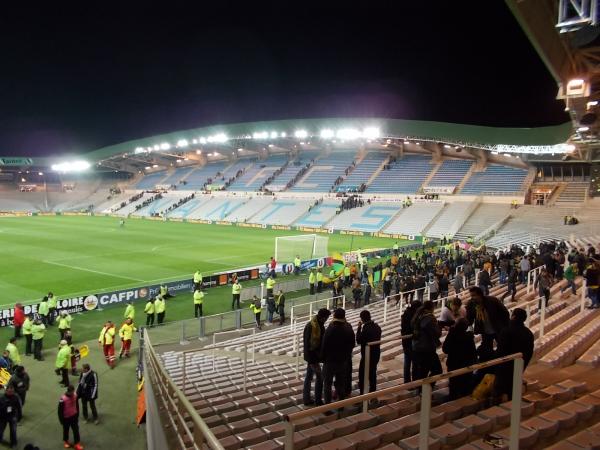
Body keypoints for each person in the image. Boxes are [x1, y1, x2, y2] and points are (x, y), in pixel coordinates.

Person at [494, 308, 535, 400]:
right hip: (519, 366)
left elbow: (500, 350)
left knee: (499, 390)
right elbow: (529, 352)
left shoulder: (506, 331)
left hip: (504, 366)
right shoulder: (528, 333)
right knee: (512, 391)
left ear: (513, 317)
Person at [322, 308, 355, 405]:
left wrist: (323, 358)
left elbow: (324, 344)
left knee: (327, 384)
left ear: (334, 316)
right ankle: (341, 404)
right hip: (343, 360)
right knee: (341, 383)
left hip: (330, 361)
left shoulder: (331, 328)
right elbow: (352, 344)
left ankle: (327, 405)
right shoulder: (348, 327)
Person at [465, 287, 510, 359]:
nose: (472, 298)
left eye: (474, 295)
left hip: (498, 329)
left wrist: (505, 327)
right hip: (485, 332)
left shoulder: (492, 300)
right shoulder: (471, 304)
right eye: (471, 296)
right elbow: (469, 318)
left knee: (503, 347)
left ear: (480, 295)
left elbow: (505, 313)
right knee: (488, 351)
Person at [442, 318, 477, 399]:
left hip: (453, 364)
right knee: (465, 388)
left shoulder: (452, 334)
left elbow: (445, 349)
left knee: (453, 388)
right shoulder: (469, 337)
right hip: (466, 366)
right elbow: (473, 352)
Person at [302, 308, 331, 406]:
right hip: (312, 358)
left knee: (309, 377)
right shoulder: (312, 326)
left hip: (313, 357)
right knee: (320, 378)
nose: (327, 320)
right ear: (323, 317)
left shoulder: (317, 325)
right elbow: (308, 344)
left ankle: (306, 399)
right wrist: (313, 359)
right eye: (326, 318)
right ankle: (318, 401)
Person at [411, 301, 442, 384]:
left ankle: (421, 390)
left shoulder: (418, 315)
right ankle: (425, 389)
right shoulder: (430, 318)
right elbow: (436, 333)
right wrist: (439, 327)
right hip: (427, 348)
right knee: (437, 370)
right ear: (432, 308)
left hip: (417, 347)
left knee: (423, 371)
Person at [356, 310, 381, 394]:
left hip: (367, 356)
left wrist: (359, 328)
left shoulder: (366, 329)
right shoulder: (377, 327)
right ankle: (372, 393)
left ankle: (362, 395)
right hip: (376, 354)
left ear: (362, 319)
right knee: (373, 373)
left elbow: (359, 340)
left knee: (362, 375)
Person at [401, 300, 421, 383]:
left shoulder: (405, 314)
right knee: (415, 362)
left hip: (405, 340)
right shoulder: (414, 315)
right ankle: (415, 380)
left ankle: (407, 381)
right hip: (411, 340)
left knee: (407, 361)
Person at [58, 385, 83, 450]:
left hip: (74, 416)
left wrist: (77, 413)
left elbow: (76, 404)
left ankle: (77, 443)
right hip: (66, 418)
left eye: (73, 391)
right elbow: (60, 411)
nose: (72, 393)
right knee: (66, 430)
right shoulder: (62, 399)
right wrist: (61, 420)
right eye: (71, 392)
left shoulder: (75, 395)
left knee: (76, 430)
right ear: (68, 391)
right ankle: (66, 442)